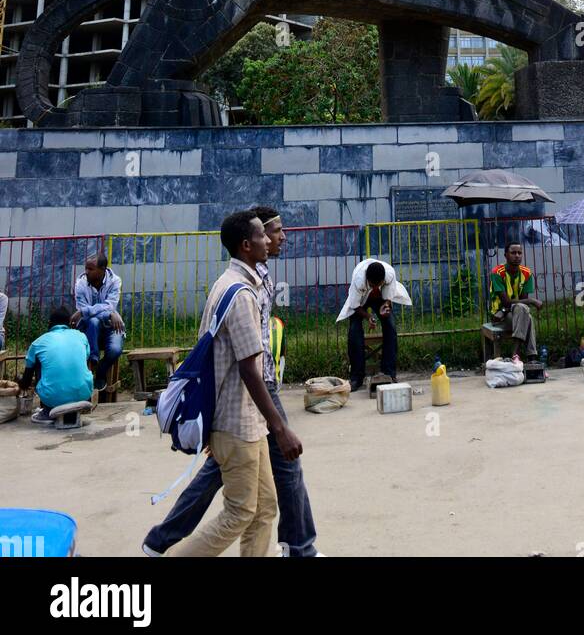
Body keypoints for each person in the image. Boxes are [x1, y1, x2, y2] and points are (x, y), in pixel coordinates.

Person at [144, 207, 319, 559]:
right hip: (237, 423)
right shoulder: (240, 294)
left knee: (265, 507)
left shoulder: (236, 283)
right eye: (262, 235)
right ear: (245, 245)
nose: (269, 240)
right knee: (240, 511)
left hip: (248, 423)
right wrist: (281, 428)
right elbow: (250, 371)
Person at [337, 257, 412, 391]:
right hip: (361, 302)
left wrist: (386, 307)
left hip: (379, 299)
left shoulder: (389, 274)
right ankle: (356, 377)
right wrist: (368, 316)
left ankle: (389, 373)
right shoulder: (359, 280)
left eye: (379, 285)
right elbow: (354, 305)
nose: (375, 288)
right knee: (354, 331)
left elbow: (388, 297)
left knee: (390, 325)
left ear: (383, 280)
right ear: (367, 280)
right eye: (372, 285)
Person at [18, 307, 93, 425]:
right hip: (84, 394)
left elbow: (26, 381)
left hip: (52, 398)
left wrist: (20, 383)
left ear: (49, 324)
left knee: (39, 361)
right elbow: (86, 358)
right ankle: (76, 394)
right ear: (69, 323)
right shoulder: (81, 336)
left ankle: (47, 410)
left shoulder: (38, 343)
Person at [71, 253, 125, 391]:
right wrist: (110, 313)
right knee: (94, 321)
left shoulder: (115, 281)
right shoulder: (80, 283)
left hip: (110, 325)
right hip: (89, 326)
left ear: (102, 269)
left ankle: (100, 371)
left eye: (91, 269)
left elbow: (109, 304)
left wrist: (86, 311)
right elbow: (86, 310)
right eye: (86, 268)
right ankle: (93, 359)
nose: (86, 272)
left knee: (115, 350)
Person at [488, 241, 543, 359]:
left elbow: (522, 301)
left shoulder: (526, 273)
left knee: (523, 310)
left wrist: (525, 303)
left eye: (519, 253)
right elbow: (506, 302)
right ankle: (527, 356)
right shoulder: (497, 273)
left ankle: (517, 355)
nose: (517, 256)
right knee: (526, 315)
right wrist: (532, 301)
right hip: (500, 316)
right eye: (513, 253)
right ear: (506, 255)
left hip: (515, 312)